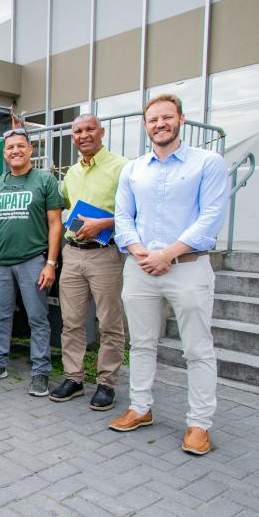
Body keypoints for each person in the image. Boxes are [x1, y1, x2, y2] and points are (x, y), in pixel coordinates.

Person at [109, 94, 228, 456]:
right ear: (145, 126)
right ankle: (140, 408)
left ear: (181, 119)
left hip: (188, 267)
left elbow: (210, 218)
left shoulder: (207, 163)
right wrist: (141, 252)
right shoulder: (134, 169)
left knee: (197, 349)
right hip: (141, 268)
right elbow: (122, 218)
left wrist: (167, 254)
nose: (159, 124)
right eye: (153, 119)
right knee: (141, 344)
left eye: (166, 118)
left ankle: (199, 425)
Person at [0, 128, 64, 396]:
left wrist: (51, 263)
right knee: (1, 317)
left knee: (37, 318)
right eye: (10, 147)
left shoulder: (44, 180)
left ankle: (40, 372)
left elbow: (55, 223)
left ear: (30, 149)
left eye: (20, 146)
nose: (15, 151)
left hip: (32, 260)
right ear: (4, 153)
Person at [50, 114, 129, 410]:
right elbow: (68, 209)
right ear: (72, 137)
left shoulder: (121, 168)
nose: (84, 135)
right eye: (78, 131)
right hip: (72, 254)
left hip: (104, 253)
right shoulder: (71, 173)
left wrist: (103, 222)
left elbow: (134, 212)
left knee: (109, 322)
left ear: (102, 132)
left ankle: (106, 383)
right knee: (71, 322)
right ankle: (74, 378)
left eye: (89, 129)